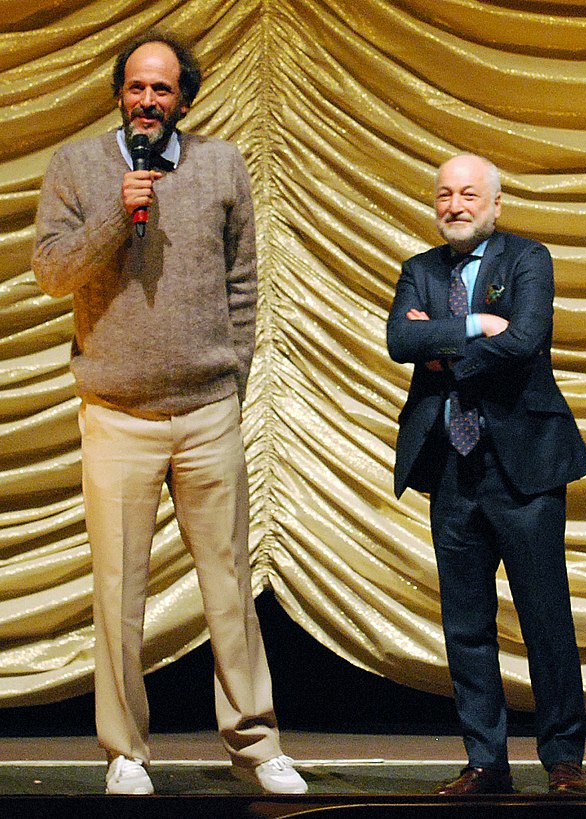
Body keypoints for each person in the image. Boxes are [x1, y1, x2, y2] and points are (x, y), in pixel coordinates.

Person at [32, 32, 307, 797]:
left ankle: (257, 744)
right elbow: (52, 271)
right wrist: (119, 216)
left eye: (162, 89)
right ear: (119, 94)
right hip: (116, 412)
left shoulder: (221, 164)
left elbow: (245, 283)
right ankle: (125, 751)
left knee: (228, 581)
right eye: (135, 88)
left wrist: (234, 376)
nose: (147, 101)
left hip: (208, 409)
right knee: (119, 588)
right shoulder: (78, 167)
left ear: (185, 98)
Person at [387, 154, 586, 796]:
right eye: (445, 194)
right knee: (465, 624)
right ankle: (486, 761)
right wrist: (474, 327)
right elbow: (400, 341)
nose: (455, 204)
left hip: (525, 466)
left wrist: (443, 353)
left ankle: (563, 760)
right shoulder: (419, 270)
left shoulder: (527, 259)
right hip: (451, 469)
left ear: (496, 205)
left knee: (545, 618)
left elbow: (526, 340)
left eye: (469, 194)